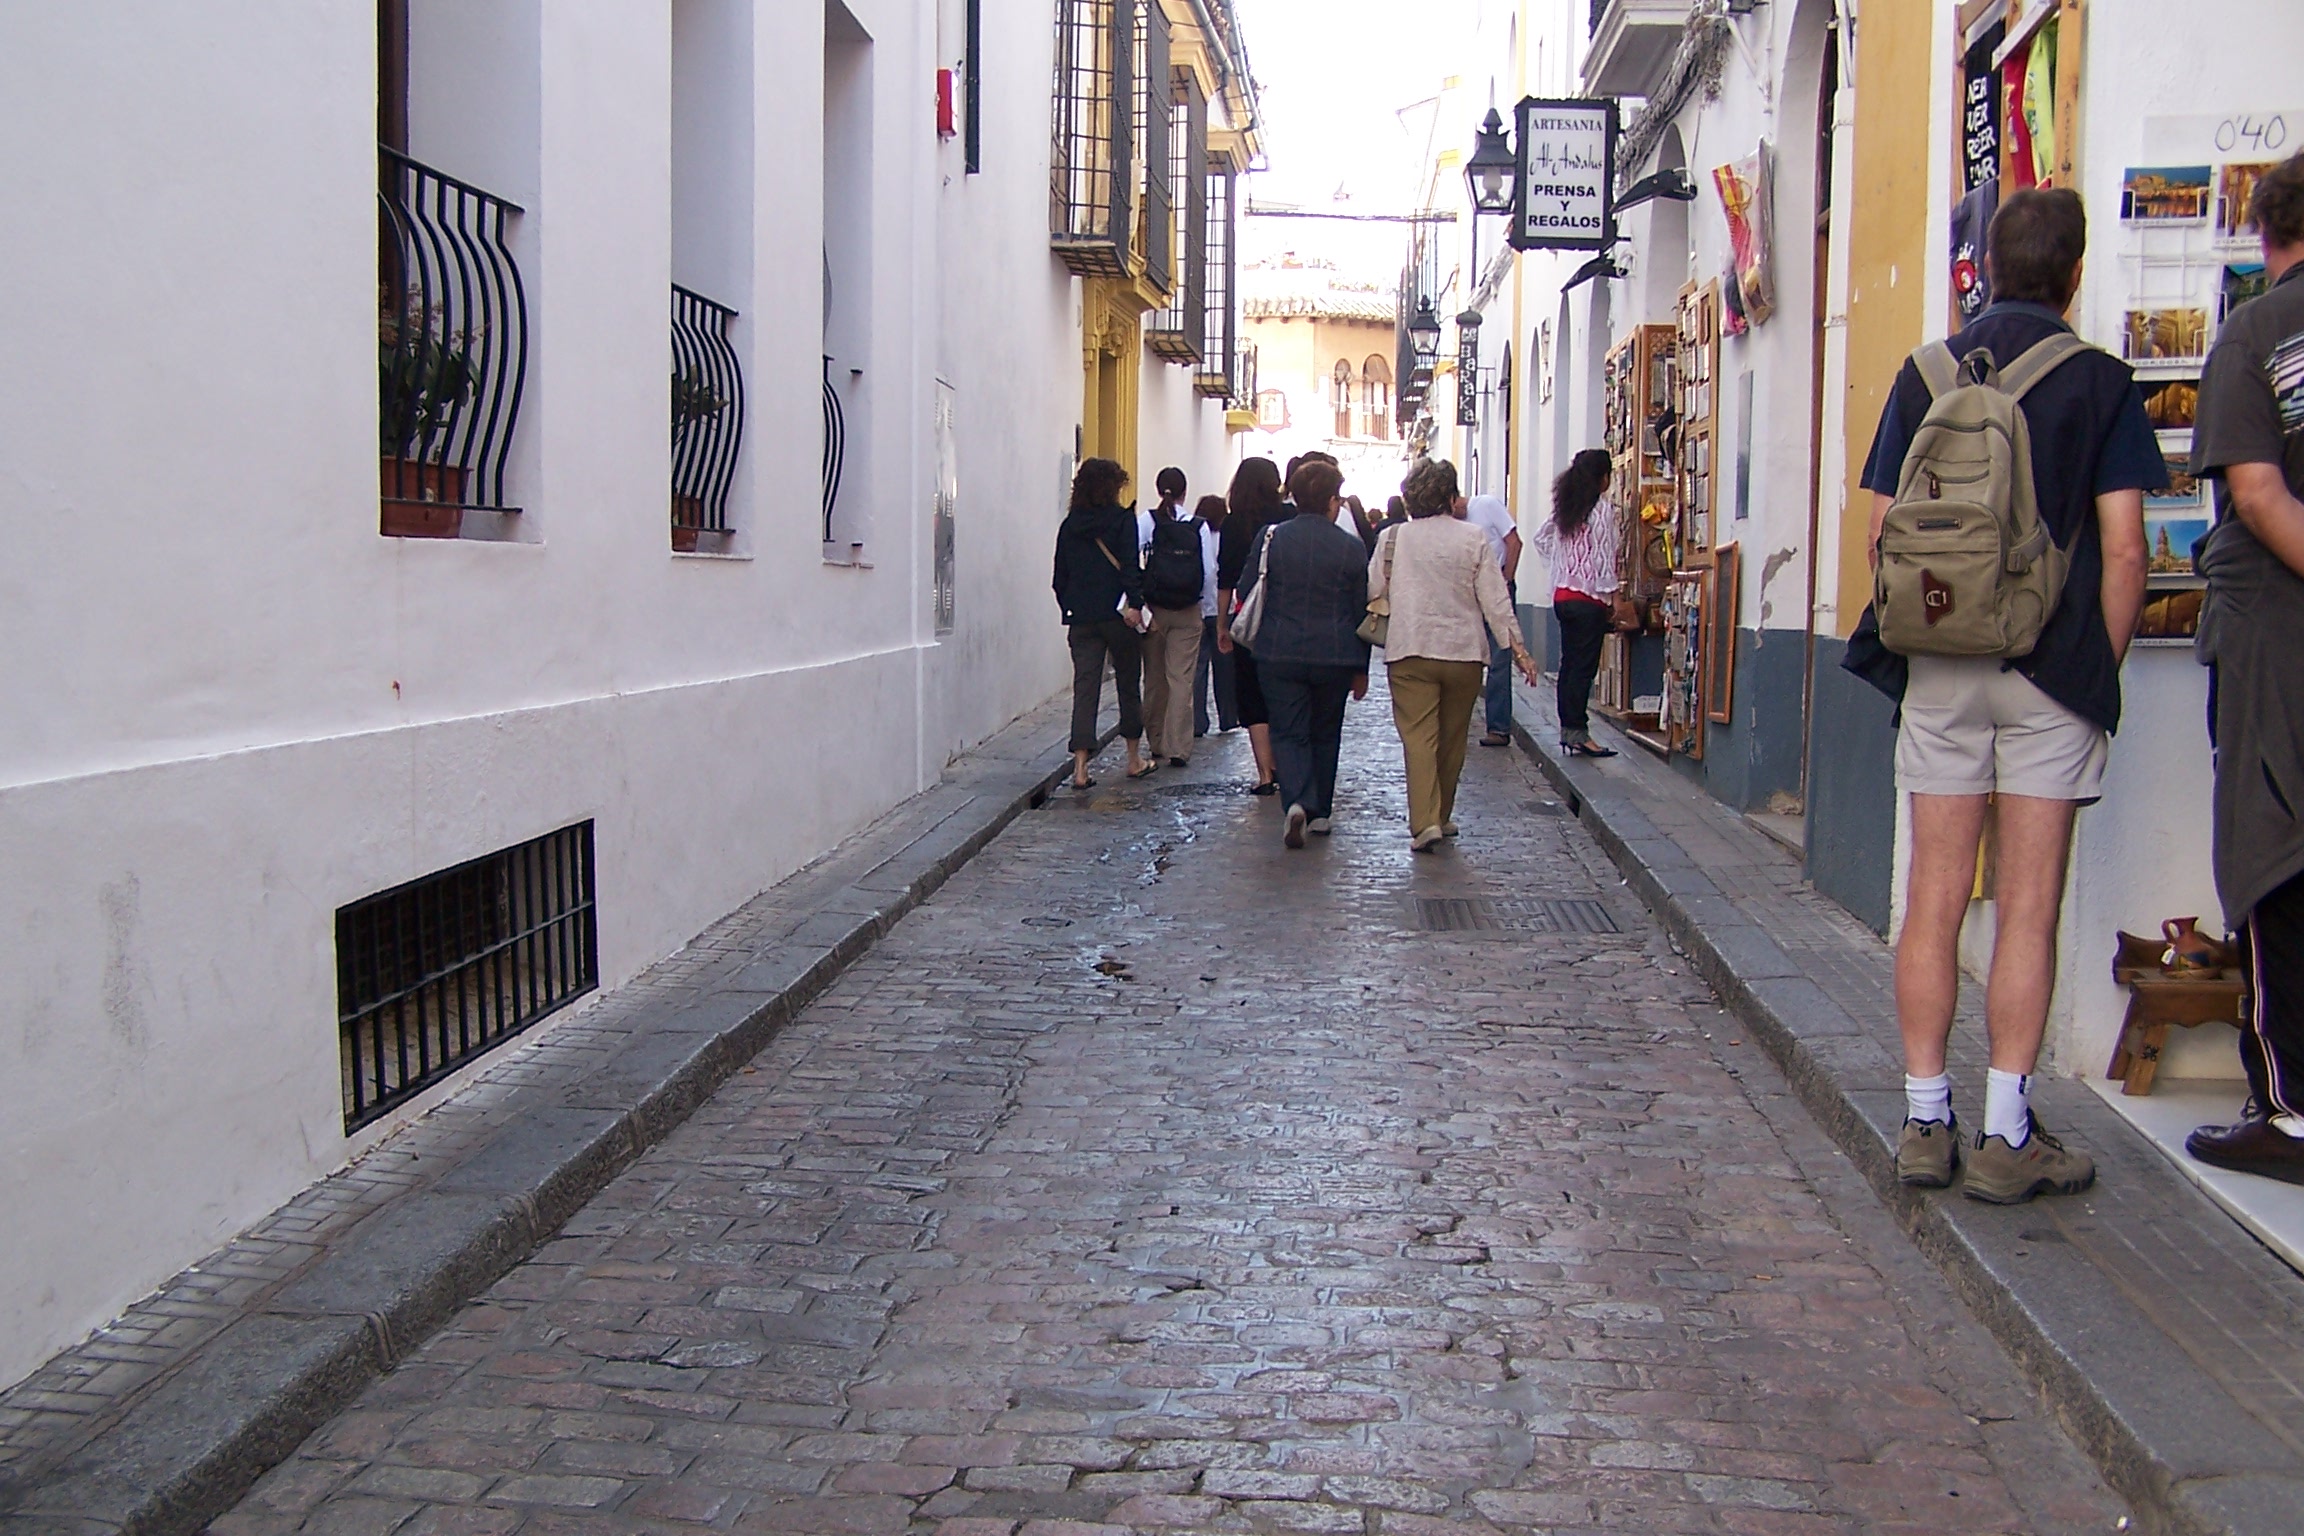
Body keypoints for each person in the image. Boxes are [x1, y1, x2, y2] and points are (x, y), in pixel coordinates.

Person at [1847, 187, 2162, 1203]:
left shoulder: (1925, 372)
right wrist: (2092, 669)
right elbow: (2124, 550)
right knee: (2028, 908)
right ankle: (2006, 1133)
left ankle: (1924, 1117)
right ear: (2075, 273)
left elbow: (1884, 537)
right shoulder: (2099, 384)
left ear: (1982, 265)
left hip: (1939, 664)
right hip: (2050, 670)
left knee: (1933, 898)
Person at [2183, 152, 2304, 1185]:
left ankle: (2291, 1109)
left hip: (2278, 637)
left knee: (2273, 850)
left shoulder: (2257, 333)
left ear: (2264, 230)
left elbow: (2258, 497)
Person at [1373, 458, 1539, 851]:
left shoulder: (1393, 538)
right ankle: (1442, 814)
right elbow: (1495, 598)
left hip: (1410, 649)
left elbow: (1374, 588)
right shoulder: (1472, 538)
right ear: (1450, 496)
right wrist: (1518, 649)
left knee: (1418, 737)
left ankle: (1424, 821)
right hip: (1463, 652)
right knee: (1452, 738)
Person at [1244, 459, 1371, 847]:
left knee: (1288, 729)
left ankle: (1297, 799)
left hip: (1279, 652)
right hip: (1334, 654)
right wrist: (1361, 667)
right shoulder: (1351, 548)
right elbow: (1359, 611)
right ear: (1332, 501)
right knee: (1325, 731)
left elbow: (1248, 585)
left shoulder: (1271, 538)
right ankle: (1320, 812)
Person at [1052, 457, 1153, 788]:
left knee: (1085, 688)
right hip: (1118, 616)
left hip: (1081, 618)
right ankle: (1134, 758)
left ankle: (1080, 769)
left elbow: (1059, 576)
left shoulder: (1070, 525)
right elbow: (1129, 567)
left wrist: (1071, 606)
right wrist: (1135, 604)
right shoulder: (1123, 521)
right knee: (1127, 684)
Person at [1532, 449, 1623, 759]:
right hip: (1588, 600)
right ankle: (1578, 733)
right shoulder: (1602, 511)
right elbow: (1604, 557)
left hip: (1562, 596)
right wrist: (1611, 595)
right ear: (1603, 478)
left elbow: (1540, 538)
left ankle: (1569, 730)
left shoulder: (1567, 508)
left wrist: (1563, 566)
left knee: (1569, 666)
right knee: (1583, 669)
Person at [1216, 457, 1288, 794]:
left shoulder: (1233, 525)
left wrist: (1222, 625)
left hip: (1248, 619)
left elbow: (1226, 579)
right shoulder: (1289, 518)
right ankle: (1287, 764)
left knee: (1251, 692)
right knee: (1284, 692)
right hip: (1285, 616)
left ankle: (1264, 774)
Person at [1140, 469, 1205, 767]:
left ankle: (1155, 742)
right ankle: (1178, 746)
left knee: (1153, 678)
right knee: (1181, 678)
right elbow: (1211, 571)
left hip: (1154, 610)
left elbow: (1133, 562)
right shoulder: (1197, 526)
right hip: (1188, 610)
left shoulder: (1146, 521)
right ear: (1184, 491)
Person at [1461, 492, 1524, 747]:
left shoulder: (1486, 505)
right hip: (1473, 594)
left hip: (1497, 587)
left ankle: (1498, 728)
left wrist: (1505, 580)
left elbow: (1514, 542)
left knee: (1500, 658)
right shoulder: (1455, 524)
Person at [1191, 494, 1237, 738]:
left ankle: (1198, 722)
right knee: (1225, 669)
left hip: (1199, 608)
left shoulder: (1196, 535)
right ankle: (1228, 718)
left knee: (1198, 668)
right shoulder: (1226, 538)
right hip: (1223, 609)